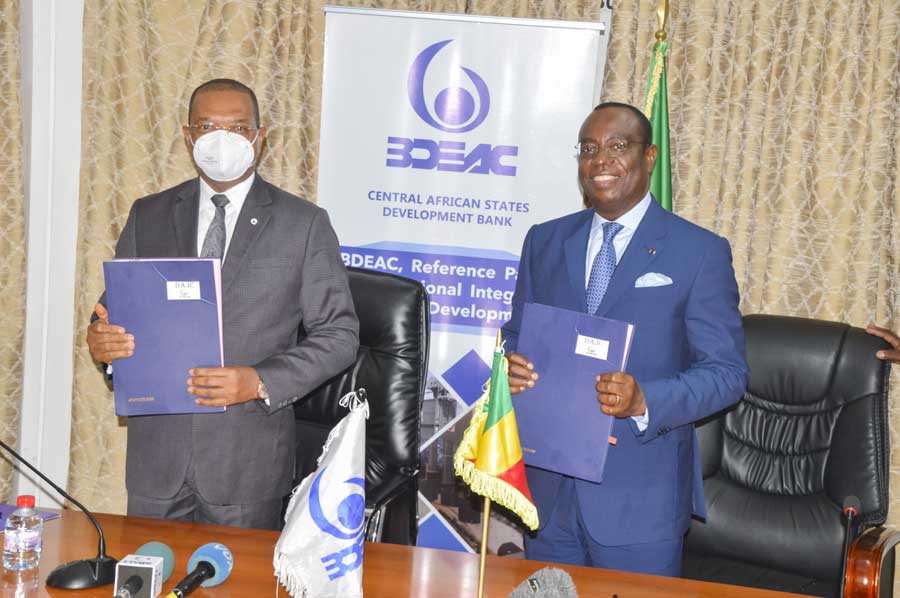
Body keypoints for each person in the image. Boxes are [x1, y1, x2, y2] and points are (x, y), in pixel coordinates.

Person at [85, 79, 359, 530]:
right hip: (157, 461)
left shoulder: (303, 223)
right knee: (150, 568)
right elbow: (112, 313)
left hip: (246, 463)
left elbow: (339, 335)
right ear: (188, 136)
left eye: (238, 128)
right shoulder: (148, 214)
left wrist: (259, 381)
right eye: (208, 126)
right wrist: (103, 345)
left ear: (259, 137)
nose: (222, 139)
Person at [501, 102, 748, 576]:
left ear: (649, 156)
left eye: (618, 146)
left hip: (640, 500)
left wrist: (644, 401)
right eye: (589, 148)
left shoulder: (699, 251)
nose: (600, 160)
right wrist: (512, 361)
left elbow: (727, 373)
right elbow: (516, 334)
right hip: (548, 495)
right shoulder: (544, 241)